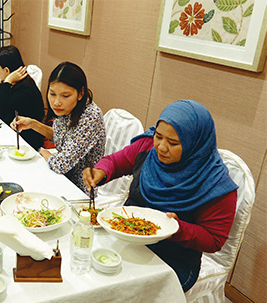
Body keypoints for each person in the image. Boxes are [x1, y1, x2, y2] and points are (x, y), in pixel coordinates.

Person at [82, 100, 238, 292]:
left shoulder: (215, 184)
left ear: (194, 143)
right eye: (159, 136)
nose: (161, 147)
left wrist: (179, 229)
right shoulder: (147, 147)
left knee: (122, 293)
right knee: (87, 271)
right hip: (126, 238)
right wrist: (101, 171)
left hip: (173, 260)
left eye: (173, 143)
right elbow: (115, 161)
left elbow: (214, 239)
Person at [11, 62, 105, 192]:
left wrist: (43, 151)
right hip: (61, 177)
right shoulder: (67, 108)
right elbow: (60, 136)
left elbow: (61, 164)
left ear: (81, 93)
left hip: (79, 189)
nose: (56, 102)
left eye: (65, 96)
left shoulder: (90, 116)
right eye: (52, 94)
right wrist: (33, 124)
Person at [0, 46, 45, 150]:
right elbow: (6, 109)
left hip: (26, 142)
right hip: (15, 133)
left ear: (7, 70)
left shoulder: (24, 90)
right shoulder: (20, 83)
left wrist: (7, 81)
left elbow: (0, 116)